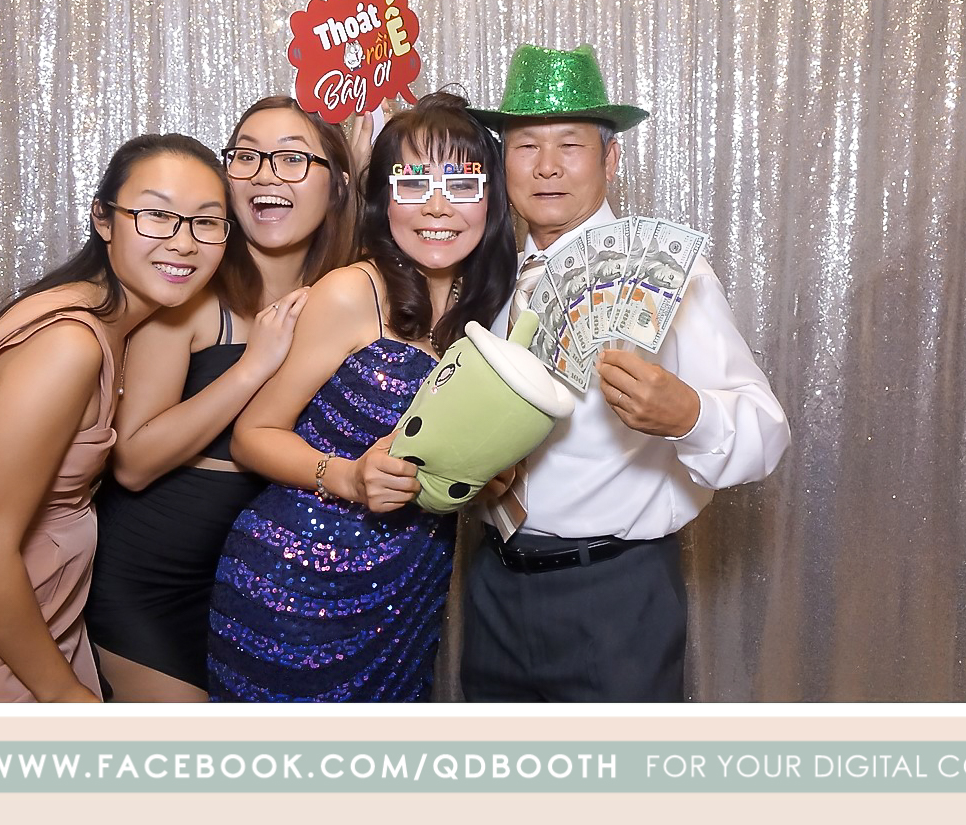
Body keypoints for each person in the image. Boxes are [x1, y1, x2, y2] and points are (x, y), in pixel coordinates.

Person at [462, 43, 790, 704]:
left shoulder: (666, 277)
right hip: (493, 588)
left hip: (613, 598)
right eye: (526, 146)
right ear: (503, 164)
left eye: (570, 145)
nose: (547, 166)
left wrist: (690, 415)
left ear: (610, 160)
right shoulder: (490, 277)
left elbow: (768, 429)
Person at [207, 93, 517, 703]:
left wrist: (484, 475)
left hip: (408, 596)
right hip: (295, 586)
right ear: (382, 200)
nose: (436, 206)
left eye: (461, 184)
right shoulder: (353, 292)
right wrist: (349, 477)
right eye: (413, 183)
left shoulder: (487, 311)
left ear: (491, 201)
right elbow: (252, 436)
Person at [0, 134, 231, 702]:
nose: (183, 243)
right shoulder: (69, 345)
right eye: (156, 215)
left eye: (206, 222)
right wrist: (64, 695)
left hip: (31, 617)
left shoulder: (99, 316)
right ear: (103, 219)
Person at [84, 98, 357, 702]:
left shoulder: (345, 297)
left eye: (292, 158)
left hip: (268, 585)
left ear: (337, 186)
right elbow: (132, 462)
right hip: (152, 583)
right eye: (248, 157)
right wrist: (253, 365)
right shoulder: (188, 292)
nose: (265, 175)